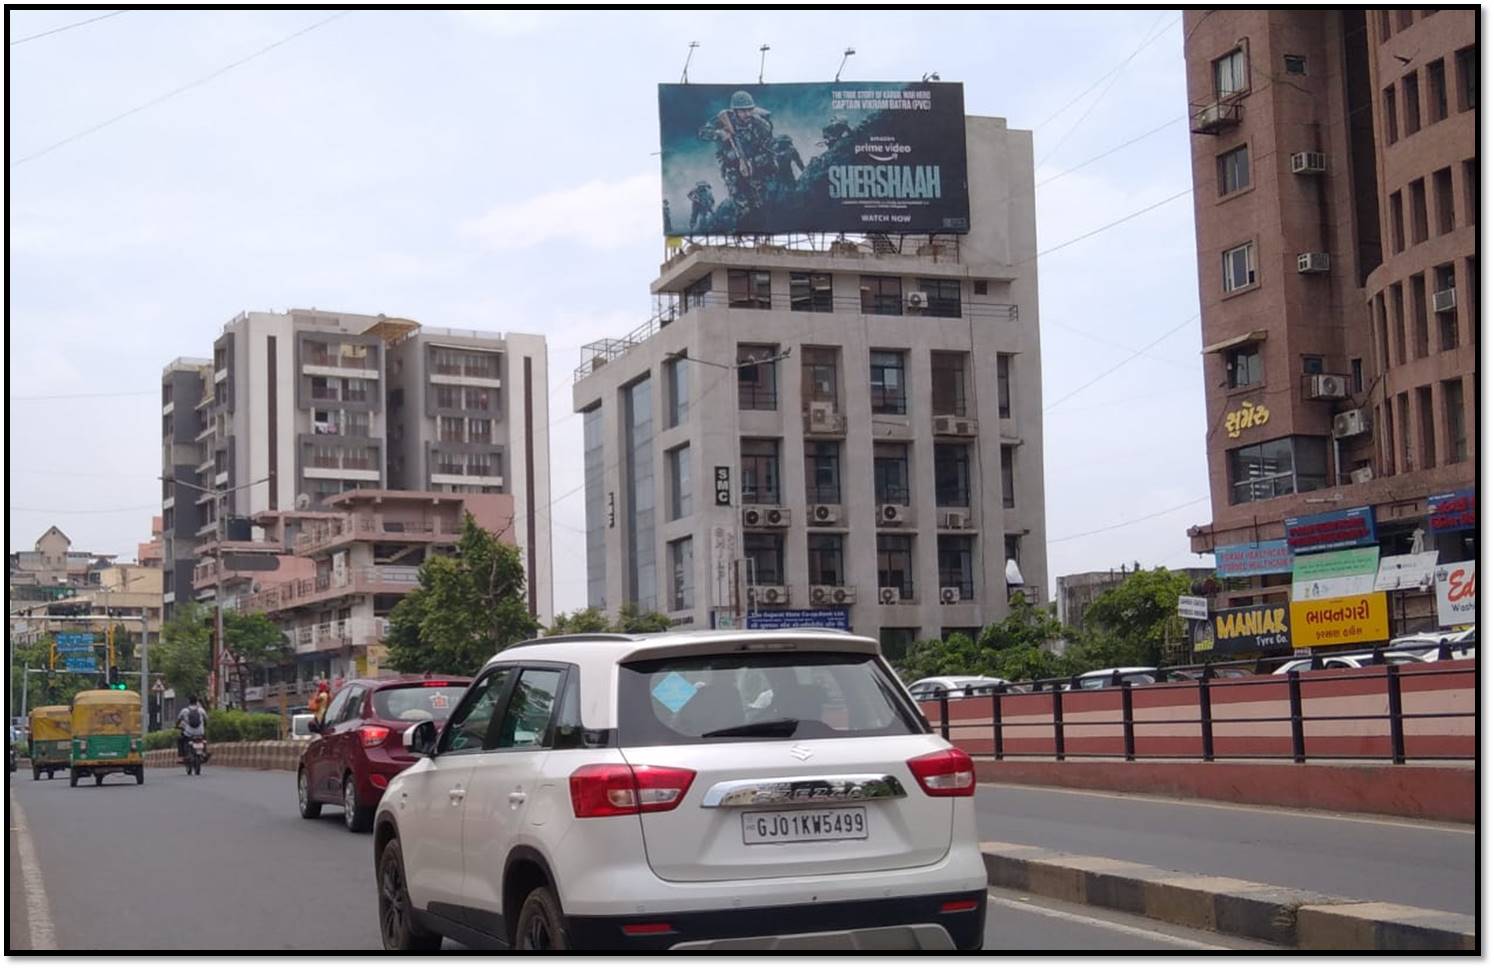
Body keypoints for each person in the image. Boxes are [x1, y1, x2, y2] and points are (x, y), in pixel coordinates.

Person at [697, 90, 775, 217]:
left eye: (750, 110)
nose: (747, 113)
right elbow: (702, 133)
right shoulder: (724, 118)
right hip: (732, 166)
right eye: (743, 111)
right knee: (741, 202)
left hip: (756, 164)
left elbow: (769, 144)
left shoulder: (759, 121)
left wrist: (755, 161)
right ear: (735, 111)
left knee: (763, 200)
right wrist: (719, 134)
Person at [176, 695, 208, 760]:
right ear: (196, 702)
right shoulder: (201, 710)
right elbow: (206, 719)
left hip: (189, 733)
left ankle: (183, 755)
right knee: (204, 739)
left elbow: (178, 720)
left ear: (189, 702)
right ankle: (204, 752)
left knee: (181, 740)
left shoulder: (184, 711)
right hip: (200, 732)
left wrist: (177, 726)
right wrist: (204, 726)